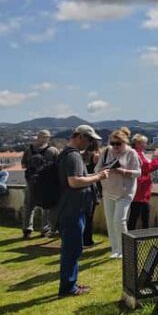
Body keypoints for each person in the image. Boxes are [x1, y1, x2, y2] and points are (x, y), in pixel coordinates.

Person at [58, 125, 110, 297]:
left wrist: (94, 175)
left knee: (73, 248)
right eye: (89, 139)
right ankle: (68, 288)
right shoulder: (73, 155)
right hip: (72, 209)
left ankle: (70, 284)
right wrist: (98, 177)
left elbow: (78, 177)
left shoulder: (67, 154)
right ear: (79, 136)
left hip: (70, 208)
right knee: (72, 250)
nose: (90, 143)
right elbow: (74, 181)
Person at [95, 127, 140, 258]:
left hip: (125, 192)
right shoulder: (106, 152)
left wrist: (122, 171)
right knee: (110, 222)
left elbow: (138, 172)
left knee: (119, 220)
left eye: (118, 144)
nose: (115, 146)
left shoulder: (131, 153)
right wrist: (105, 169)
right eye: (112, 143)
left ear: (125, 142)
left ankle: (125, 249)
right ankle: (115, 250)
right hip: (108, 190)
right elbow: (97, 169)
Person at [21, 130, 60, 238]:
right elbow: (58, 166)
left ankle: (27, 230)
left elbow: (23, 165)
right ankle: (45, 229)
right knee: (46, 206)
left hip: (32, 182)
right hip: (46, 183)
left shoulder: (29, 150)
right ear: (48, 138)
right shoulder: (53, 150)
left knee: (29, 206)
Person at [127, 134, 158, 231]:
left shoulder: (138, 153)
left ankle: (143, 234)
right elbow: (147, 168)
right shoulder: (136, 154)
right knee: (136, 214)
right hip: (140, 189)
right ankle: (132, 234)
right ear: (138, 143)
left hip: (142, 189)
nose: (145, 145)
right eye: (144, 143)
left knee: (143, 213)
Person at [82, 139, 101, 247]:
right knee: (89, 216)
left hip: (82, 186)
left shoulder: (81, 155)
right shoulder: (96, 156)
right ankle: (87, 240)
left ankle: (82, 238)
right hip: (92, 186)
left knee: (83, 216)